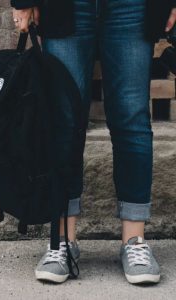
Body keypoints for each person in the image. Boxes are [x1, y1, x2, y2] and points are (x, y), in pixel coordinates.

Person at [11, 0, 176, 284]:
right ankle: (62, 241)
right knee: (64, 121)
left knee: (132, 119)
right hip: (66, 6)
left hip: (132, 6)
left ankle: (134, 241)